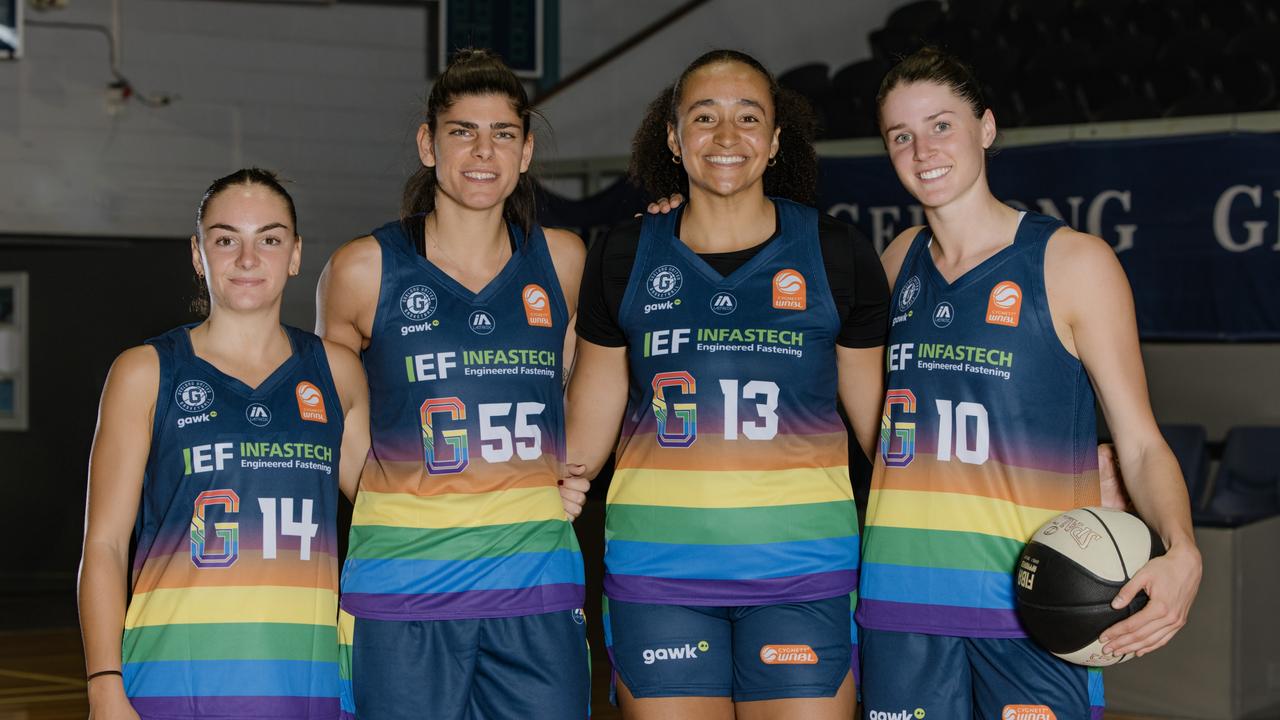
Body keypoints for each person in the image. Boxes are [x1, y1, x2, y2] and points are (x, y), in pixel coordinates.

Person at [857, 47, 1202, 719]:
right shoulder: (896, 262)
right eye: (901, 135)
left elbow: (1138, 444)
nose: (922, 149)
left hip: (1034, 606)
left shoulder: (1073, 262)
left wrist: (1184, 550)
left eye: (941, 125)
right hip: (902, 600)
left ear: (986, 128)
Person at [561, 49, 889, 719]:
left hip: (804, 578)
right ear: (675, 140)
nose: (727, 136)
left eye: (749, 117)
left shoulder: (836, 253)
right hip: (659, 581)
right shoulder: (623, 256)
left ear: (774, 143)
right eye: (704, 117)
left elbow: (884, 435)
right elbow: (585, 435)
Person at [315, 49, 589, 720]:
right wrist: (383, 489)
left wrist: (573, 466)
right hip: (404, 582)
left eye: (502, 133)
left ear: (525, 152)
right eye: (462, 130)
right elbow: (329, 404)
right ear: (428, 145)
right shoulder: (363, 268)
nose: (482, 151)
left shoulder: (562, 258)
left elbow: (587, 377)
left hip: (535, 582)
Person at [78, 168, 371, 720]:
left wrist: (543, 483)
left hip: (306, 683)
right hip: (171, 683)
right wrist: (103, 686)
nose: (247, 258)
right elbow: (105, 547)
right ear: (198, 253)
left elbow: (392, 512)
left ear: (296, 253)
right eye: (225, 239)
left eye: (269, 238)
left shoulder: (336, 373)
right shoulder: (145, 372)